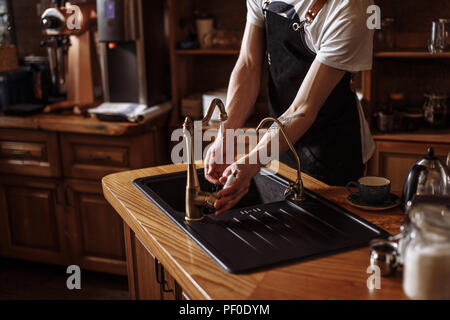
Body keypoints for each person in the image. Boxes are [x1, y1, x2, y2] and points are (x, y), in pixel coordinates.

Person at [205, 0, 376, 215]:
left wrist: (253, 160)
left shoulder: (349, 9)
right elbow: (248, 64)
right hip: (277, 143)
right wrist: (225, 135)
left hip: (332, 150)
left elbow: (303, 108)